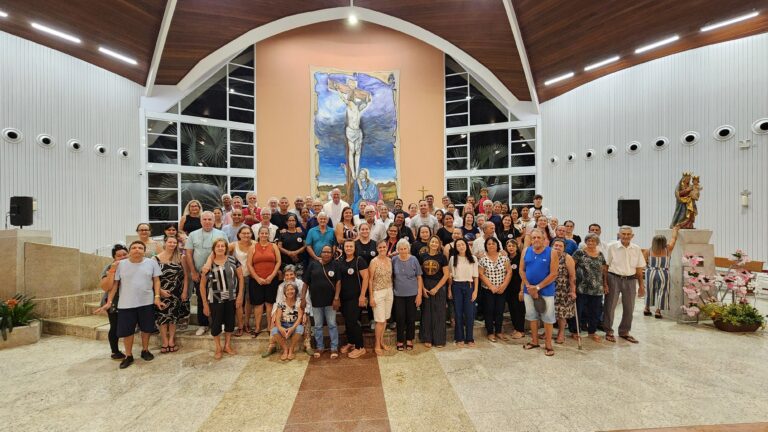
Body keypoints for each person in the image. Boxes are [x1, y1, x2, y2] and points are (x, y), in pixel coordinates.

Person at [104, 241, 163, 369]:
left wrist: (157, 297)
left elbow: (156, 281)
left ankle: (145, 350)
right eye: (134, 248)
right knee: (127, 332)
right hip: (126, 304)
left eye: (140, 248)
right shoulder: (121, 265)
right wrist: (109, 302)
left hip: (146, 302)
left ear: (144, 250)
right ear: (130, 251)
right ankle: (128, 355)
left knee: (146, 329)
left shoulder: (151, 263)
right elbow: (114, 285)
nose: (137, 250)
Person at [200, 239, 245, 360]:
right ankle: (218, 347)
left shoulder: (233, 260)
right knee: (216, 324)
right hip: (215, 299)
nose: (220, 248)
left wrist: (240, 295)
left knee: (230, 322)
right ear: (214, 249)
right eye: (218, 246)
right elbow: (202, 285)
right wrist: (205, 303)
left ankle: (227, 345)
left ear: (226, 248)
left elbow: (241, 278)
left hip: (231, 297)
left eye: (222, 246)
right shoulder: (208, 265)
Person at [184, 211, 226, 336]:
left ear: (214, 221)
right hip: (199, 273)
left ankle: (219, 323)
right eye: (205, 219)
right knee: (202, 299)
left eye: (210, 219)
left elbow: (226, 251)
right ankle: (203, 324)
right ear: (201, 221)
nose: (207, 221)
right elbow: (189, 254)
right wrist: (193, 271)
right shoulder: (193, 235)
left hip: (218, 273)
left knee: (219, 299)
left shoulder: (221, 233)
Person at [603, 226, 647, 344]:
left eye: (628, 234)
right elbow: (605, 266)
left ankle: (624, 332)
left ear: (632, 236)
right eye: (623, 234)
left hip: (631, 280)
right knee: (610, 306)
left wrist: (641, 286)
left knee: (629, 307)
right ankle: (608, 331)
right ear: (619, 235)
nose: (626, 236)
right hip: (613, 278)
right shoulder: (611, 247)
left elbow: (639, 268)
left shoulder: (636, 249)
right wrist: (605, 283)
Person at [519, 229, 559, 357]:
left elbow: (554, 274)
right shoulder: (526, 251)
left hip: (546, 291)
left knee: (548, 318)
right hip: (528, 290)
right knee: (531, 316)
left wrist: (537, 287)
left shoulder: (552, 252)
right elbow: (521, 270)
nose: (536, 240)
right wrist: (528, 285)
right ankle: (535, 341)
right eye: (534, 237)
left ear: (544, 239)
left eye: (538, 238)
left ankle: (548, 344)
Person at [303, 245, 341, 359]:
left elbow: (338, 283)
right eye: (324, 252)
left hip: (330, 302)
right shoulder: (313, 264)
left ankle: (334, 348)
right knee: (318, 326)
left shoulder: (335, 265)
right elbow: (305, 283)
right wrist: (302, 298)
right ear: (321, 253)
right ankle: (320, 347)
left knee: (332, 325)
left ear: (332, 254)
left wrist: (336, 298)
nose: (327, 254)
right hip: (316, 301)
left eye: (329, 252)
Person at [154, 235, 188, 353]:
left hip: (176, 293)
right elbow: (153, 278)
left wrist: (184, 292)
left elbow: (185, 277)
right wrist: (159, 292)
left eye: (175, 243)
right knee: (163, 318)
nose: (172, 244)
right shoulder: (156, 259)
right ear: (165, 243)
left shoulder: (181, 257)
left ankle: (171, 340)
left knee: (173, 318)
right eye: (170, 242)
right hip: (162, 293)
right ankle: (164, 341)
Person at [246, 226, 281, 344]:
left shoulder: (274, 246)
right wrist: (257, 278)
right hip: (256, 280)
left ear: (269, 235)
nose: (264, 235)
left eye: (266, 233)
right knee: (258, 305)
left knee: (270, 303)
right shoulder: (253, 247)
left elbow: (278, 262)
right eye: (262, 233)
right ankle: (257, 327)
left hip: (271, 279)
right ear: (259, 234)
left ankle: (270, 327)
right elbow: (249, 264)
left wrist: (271, 276)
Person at [336, 239, 369, 358]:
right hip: (344, 298)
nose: (348, 248)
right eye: (346, 246)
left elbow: (366, 278)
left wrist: (362, 295)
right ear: (343, 248)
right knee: (347, 322)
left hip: (356, 297)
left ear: (355, 248)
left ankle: (360, 347)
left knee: (353, 322)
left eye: (351, 246)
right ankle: (351, 342)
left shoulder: (359, 261)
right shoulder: (341, 261)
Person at [95, 244, 128, 360]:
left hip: (129, 300)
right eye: (119, 256)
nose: (122, 257)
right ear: (114, 257)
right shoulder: (109, 267)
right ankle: (115, 351)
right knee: (115, 327)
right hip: (113, 301)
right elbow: (106, 287)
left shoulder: (132, 265)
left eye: (125, 254)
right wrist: (113, 270)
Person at [572, 233, 607, 342]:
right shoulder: (579, 253)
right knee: (578, 310)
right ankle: (575, 331)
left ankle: (592, 332)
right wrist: (572, 283)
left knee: (595, 311)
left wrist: (605, 284)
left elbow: (604, 271)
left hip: (597, 288)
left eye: (593, 241)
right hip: (581, 287)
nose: (591, 243)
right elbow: (572, 268)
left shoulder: (600, 254)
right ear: (585, 241)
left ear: (597, 243)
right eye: (589, 241)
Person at [272, 265, 312, 356]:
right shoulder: (281, 286)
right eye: (287, 275)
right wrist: (274, 314)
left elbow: (306, 301)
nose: (289, 277)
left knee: (306, 317)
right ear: (284, 276)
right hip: (284, 309)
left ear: (295, 275)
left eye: (291, 274)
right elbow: (278, 302)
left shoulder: (302, 284)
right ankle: (272, 344)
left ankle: (307, 343)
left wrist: (305, 312)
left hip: (300, 308)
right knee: (274, 317)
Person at [478, 237, 512, 342]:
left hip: (501, 289)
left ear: (497, 245)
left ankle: (498, 331)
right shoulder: (483, 259)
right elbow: (481, 274)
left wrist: (504, 286)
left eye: (493, 243)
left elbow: (509, 272)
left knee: (499, 310)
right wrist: (491, 286)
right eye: (489, 244)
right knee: (489, 310)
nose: (491, 245)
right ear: (486, 246)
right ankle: (490, 332)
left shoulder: (504, 258)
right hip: (488, 289)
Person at [392, 238, 423, 351]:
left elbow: (419, 277)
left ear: (408, 249)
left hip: (412, 293)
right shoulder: (394, 260)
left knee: (411, 317)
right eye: (401, 249)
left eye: (405, 248)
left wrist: (419, 294)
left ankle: (409, 339)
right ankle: (400, 340)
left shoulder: (414, 259)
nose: (403, 251)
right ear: (398, 249)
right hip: (398, 294)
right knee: (400, 318)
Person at [419, 235, 449, 348]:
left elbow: (446, 275)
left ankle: (439, 339)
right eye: (432, 242)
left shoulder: (442, 257)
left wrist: (437, 288)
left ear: (439, 244)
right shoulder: (423, 256)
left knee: (439, 313)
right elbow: (420, 274)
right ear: (429, 243)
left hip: (439, 285)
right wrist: (422, 288)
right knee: (426, 313)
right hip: (425, 284)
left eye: (436, 242)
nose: (434, 244)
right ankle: (427, 338)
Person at [643, 227, 679, 319]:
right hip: (664, 272)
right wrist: (675, 230)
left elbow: (643, 262)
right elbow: (674, 238)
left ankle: (646, 308)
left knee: (649, 290)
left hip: (650, 272)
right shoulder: (668, 249)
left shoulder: (648, 251)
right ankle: (658, 311)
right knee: (662, 291)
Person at [449, 238, 478, 347]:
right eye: (458, 245)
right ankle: (459, 337)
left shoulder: (473, 258)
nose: (461, 247)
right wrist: (449, 289)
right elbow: (450, 276)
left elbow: (476, 277)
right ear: (456, 248)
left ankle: (470, 338)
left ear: (466, 245)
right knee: (458, 313)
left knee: (469, 313)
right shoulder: (453, 258)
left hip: (469, 286)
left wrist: (475, 291)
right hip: (456, 286)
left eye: (462, 244)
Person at [368, 241, 394, 355]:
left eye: (384, 247)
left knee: (385, 319)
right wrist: (371, 297)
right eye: (380, 247)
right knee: (379, 320)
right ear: (377, 249)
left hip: (389, 291)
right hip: (378, 292)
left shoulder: (389, 260)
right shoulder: (374, 262)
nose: (382, 248)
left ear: (387, 248)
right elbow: (370, 280)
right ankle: (377, 344)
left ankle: (382, 341)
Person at [229, 225, 255, 336]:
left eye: (248, 233)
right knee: (238, 301)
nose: (246, 235)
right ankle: (240, 325)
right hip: (236, 277)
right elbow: (219, 253)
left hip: (251, 276)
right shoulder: (233, 245)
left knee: (249, 301)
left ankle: (247, 323)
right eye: (243, 233)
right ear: (239, 234)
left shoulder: (255, 244)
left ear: (251, 234)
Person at [551, 238, 577, 344]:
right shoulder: (549, 256)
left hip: (563, 288)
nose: (557, 247)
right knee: (549, 311)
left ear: (564, 248)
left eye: (560, 246)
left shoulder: (567, 257)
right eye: (555, 245)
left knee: (562, 312)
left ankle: (561, 333)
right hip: (550, 287)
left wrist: (573, 290)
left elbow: (572, 276)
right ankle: (548, 331)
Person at [271, 282, 305, 361]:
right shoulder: (281, 303)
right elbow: (278, 318)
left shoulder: (299, 302)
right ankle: (285, 349)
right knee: (274, 330)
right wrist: (280, 328)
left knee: (300, 329)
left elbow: (300, 317)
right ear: (285, 292)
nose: (290, 291)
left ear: (295, 291)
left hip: (294, 324)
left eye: (292, 289)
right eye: (288, 290)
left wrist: (292, 328)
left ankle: (291, 349)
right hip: (283, 324)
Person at [504, 239, 525, 339]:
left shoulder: (520, 258)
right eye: (509, 246)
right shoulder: (506, 258)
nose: (511, 248)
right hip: (509, 289)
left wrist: (522, 289)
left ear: (517, 247)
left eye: (513, 246)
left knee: (519, 310)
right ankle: (516, 328)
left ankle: (521, 330)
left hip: (518, 288)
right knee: (512, 309)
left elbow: (523, 275)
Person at [277, 213, 307, 278]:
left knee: (299, 282)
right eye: (289, 221)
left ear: (296, 222)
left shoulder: (301, 233)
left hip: (299, 263)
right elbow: (279, 246)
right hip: (286, 263)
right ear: (286, 222)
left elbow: (305, 245)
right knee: (287, 282)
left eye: (293, 220)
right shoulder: (282, 234)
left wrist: (296, 252)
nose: (291, 222)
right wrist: (289, 253)